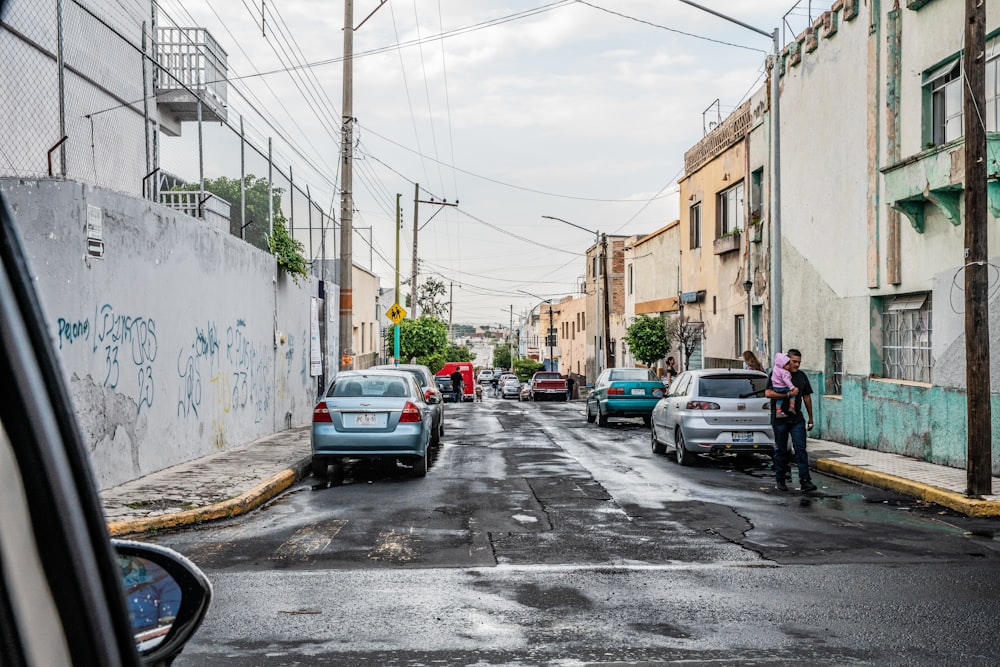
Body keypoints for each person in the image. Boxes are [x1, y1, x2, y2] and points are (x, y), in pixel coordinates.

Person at [766, 348, 816, 493]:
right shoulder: (776, 373)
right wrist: (787, 395)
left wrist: (811, 418)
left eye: (799, 362)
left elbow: (806, 396)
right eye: (794, 361)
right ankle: (780, 480)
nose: (797, 365)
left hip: (797, 419)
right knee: (781, 450)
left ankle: (805, 481)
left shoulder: (801, 376)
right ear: (787, 360)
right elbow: (768, 393)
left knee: (800, 449)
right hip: (780, 420)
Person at [769, 352, 796, 418]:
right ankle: (792, 407)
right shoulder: (785, 372)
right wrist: (792, 388)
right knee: (793, 395)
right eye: (787, 365)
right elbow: (787, 381)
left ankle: (778, 412)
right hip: (783, 387)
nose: (789, 366)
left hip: (775, 387)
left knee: (779, 399)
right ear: (782, 364)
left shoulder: (775, 368)